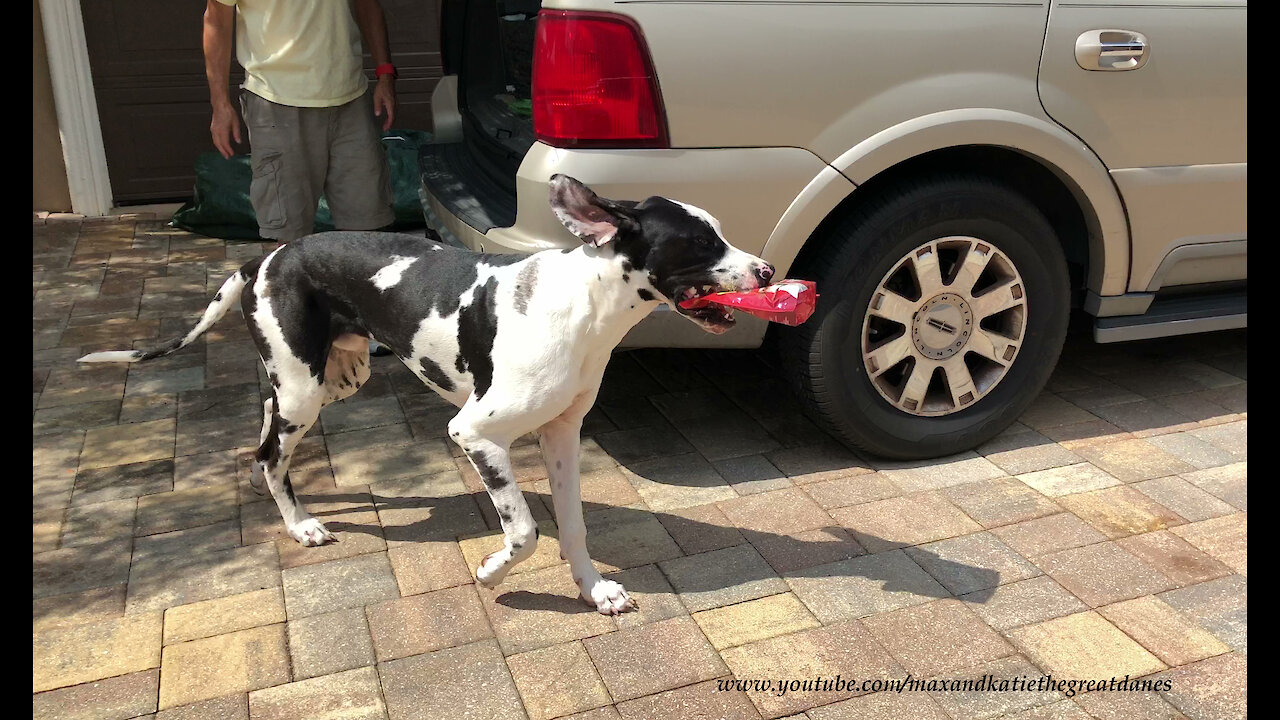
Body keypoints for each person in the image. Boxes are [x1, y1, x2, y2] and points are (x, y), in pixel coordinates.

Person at [202, 0, 399, 354]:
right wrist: (220, 103)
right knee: (287, 236)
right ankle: (297, 333)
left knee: (366, 227)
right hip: (275, 100)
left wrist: (385, 73)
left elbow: (368, 5)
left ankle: (363, 328)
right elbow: (216, 21)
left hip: (350, 96)